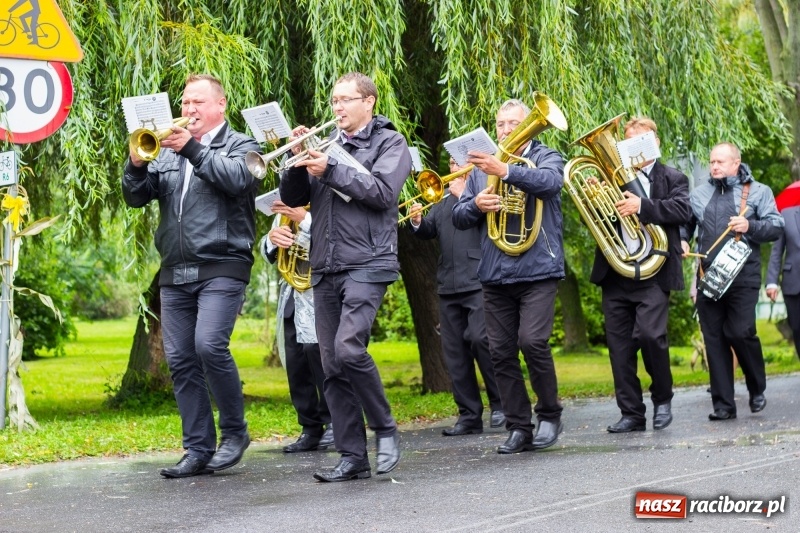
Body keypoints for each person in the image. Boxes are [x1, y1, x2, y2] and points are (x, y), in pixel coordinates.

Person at [122, 74, 259, 478]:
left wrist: (194, 149)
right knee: (180, 360)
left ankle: (235, 433)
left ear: (220, 104)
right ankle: (197, 448)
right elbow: (134, 197)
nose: (189, 110)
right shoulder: (165, 150)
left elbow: (239, 180)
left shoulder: (242, 146)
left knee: (208, 346)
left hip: (223, 264)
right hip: (175, 270)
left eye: (198, 102)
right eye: (184, 103)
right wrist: (134, 164)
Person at [280, 72, 412, 482]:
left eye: (345, 100)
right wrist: (298, 159)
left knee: (349, 349)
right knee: (332, 362)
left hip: (369, 262)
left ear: (368, 102)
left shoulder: (391, 142)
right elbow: (293, 198)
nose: (337, 108)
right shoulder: (328, 145)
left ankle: (386, 429)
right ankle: (352, 456)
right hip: (327, 264)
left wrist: (331, 168)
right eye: (334, 101)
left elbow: (383, 192)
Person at [452, 98, 565, 454]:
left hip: (538, 268)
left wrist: (506, 171)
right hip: (496, 271)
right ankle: (519, 426)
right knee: (498, 350)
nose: (505, 130)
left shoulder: (545, 155)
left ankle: (549, 414)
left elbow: (550, 183)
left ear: (529, 124)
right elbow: (458, 216)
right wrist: (475, 205)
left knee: (532, 341)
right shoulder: (479, 167)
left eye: (513, 123)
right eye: (500, 124)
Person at [589, 117, 691, 433]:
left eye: (643, 140)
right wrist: (596, 199)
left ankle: (662, 399)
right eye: (629, 142)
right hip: (617, 270)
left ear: (655, 143)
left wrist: (642, 205)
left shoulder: (674, 177)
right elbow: (596, 223)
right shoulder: (611, 178)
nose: (636, 147)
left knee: (650, 336)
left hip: (655, 270)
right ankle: (631, 413)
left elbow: (682, 211)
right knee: (619, 347)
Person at [680, 142, 784, 421]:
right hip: (709, 277)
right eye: (712, 162)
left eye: (720, 162)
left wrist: (750, 226)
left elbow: (776, 226)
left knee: (740, 332)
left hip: (743, 277)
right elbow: (686, 224)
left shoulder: (759, 192)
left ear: (736, 163)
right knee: (714, 340)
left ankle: (756, 387)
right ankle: (724, 405)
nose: (714, 166)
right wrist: (681, 239)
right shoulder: (699, 193)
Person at [409, 159, 505, 436]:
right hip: (448, 284)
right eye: (450, 161)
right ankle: (468, 415)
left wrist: (465, 196)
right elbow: (431, 231)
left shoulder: (485, 190)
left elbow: (489, 223)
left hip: (477, 279)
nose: (453, 166)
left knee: (481, 340)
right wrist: (417, 221)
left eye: (459, 161)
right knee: (454, 353)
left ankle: (501, 404)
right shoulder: (442, 198)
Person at [260, 201, 334, 452]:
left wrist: (304, 219)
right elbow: (268, 251)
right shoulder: (287, 204)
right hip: (292, 293)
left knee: (321, 359)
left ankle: (336, 421)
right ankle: (310, 427)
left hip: (322, 292)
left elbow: (336, 236)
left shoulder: (327, 195)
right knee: (295, 363)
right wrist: (272, 238)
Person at [766, 205, 800, 358]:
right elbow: (776, 251)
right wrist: (772, 281)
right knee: (797, 329)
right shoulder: (786, 215)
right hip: (793, 283)